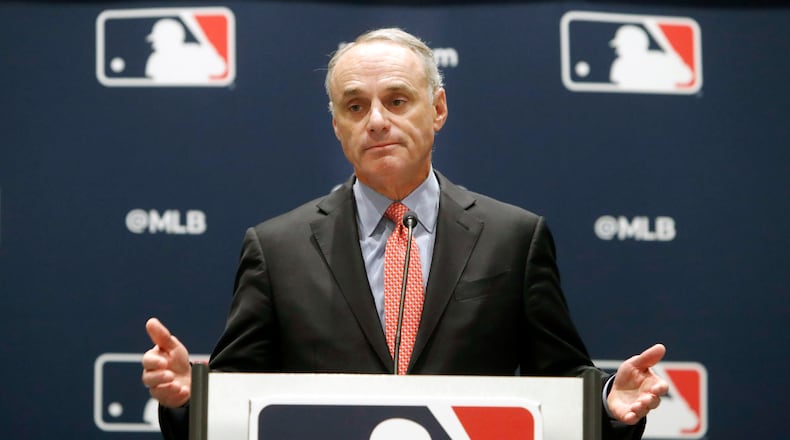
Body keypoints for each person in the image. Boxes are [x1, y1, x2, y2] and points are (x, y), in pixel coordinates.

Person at [142, 27, 668, 439]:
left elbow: (558, 381)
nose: (375, 120)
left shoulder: (515, 237)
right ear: (337, 126)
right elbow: (238, 399)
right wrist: (192, 401)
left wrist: (607, 403)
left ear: (437, 109)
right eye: (355, 106)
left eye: (396, 100)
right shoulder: (276, 247)